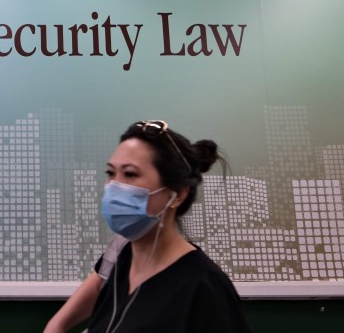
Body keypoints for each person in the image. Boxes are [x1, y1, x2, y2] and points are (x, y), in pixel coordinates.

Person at [43, 120, 252, 333]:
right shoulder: (122, 254)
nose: (114, 187)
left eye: (131, 174)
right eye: (110, 173)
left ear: (177, 194)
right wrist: (55, 326)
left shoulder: (204, 288)